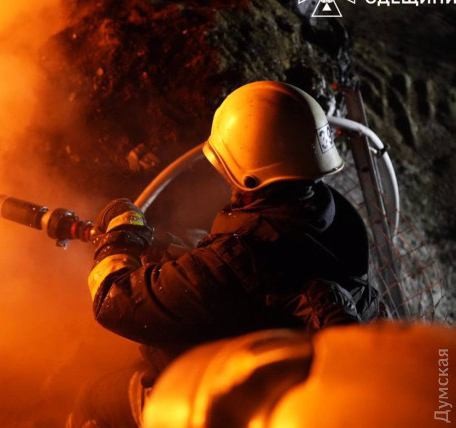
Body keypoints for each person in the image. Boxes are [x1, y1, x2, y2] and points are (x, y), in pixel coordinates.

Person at [68, 81, 379, 428]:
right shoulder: (337, 218)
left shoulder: (238, 257)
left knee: (92, 400)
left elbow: (114, 301)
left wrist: (119, 238)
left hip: (220, 403)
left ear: (245, 171)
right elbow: (251, 271)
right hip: (277, 391)